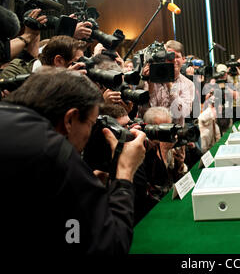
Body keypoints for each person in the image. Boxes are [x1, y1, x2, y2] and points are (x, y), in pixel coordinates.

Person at [0, 67, 147, 254]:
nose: (89, 134)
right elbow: (111, 245)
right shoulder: (54, 151)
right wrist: (125, 172)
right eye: (91, 124)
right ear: (70, 119)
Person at [133, 107, 187, 224]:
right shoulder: (142, 150)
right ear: (150, 129)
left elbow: (175, 181)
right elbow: (159, 186)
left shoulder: (168, 143)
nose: (169, 132)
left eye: (169, 126)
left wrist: (180, 164)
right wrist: (163, 151)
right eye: (164, 128)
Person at [141, 40, 195, 126]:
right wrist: (149, 82)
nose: (173, 60)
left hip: (175, 132)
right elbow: (145, 111)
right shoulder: (151, 79)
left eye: (177, 56)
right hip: (153, 130)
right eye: (169, 56)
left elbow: (183, 113)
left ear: (183, 60)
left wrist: (170, 85)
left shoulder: (188, 84)